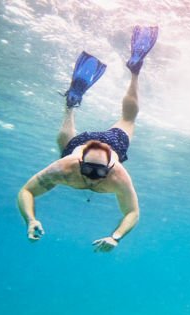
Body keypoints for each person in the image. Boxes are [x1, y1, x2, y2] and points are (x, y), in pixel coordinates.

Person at [17, 26, 158, 251]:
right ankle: (134, 71)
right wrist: (30, 220)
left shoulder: (118, 176)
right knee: (127, 119)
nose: (93, 178)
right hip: (88, 145)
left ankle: (72, 104)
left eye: (99, 173)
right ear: (79, 164)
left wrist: (116, 237)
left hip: (104, 143)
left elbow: (133, 213)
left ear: (111, 167)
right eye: (89, 171)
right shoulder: (65, 167)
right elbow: (26, 192)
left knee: (67, 143)